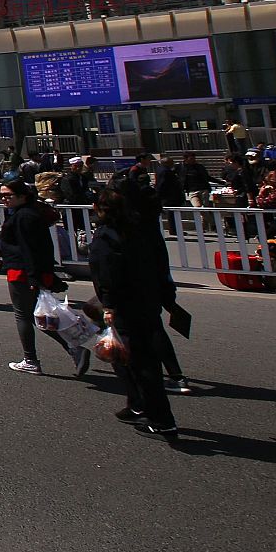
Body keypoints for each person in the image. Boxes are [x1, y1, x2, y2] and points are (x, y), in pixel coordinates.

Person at [88, 188, 177, 439]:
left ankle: (161, 419)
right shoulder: (141, 230)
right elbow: (161, 265)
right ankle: (138, 404)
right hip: (148, 299)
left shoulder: (108, 237)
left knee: (139, 361)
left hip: (126, 304)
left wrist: (108, 305)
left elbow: (107, 275)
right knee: (133, 358)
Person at [0, 180, 89, 376]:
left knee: (25, 316)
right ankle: (72, 348)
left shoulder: (24, 216)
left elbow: (30, 250)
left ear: (22, 196)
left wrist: (34, 277)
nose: (4, 199)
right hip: (28, 271)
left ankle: (32, 359)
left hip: (22, 272)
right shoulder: (27, 213)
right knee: (37, 316)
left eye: (8, 195)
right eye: (1, 195)